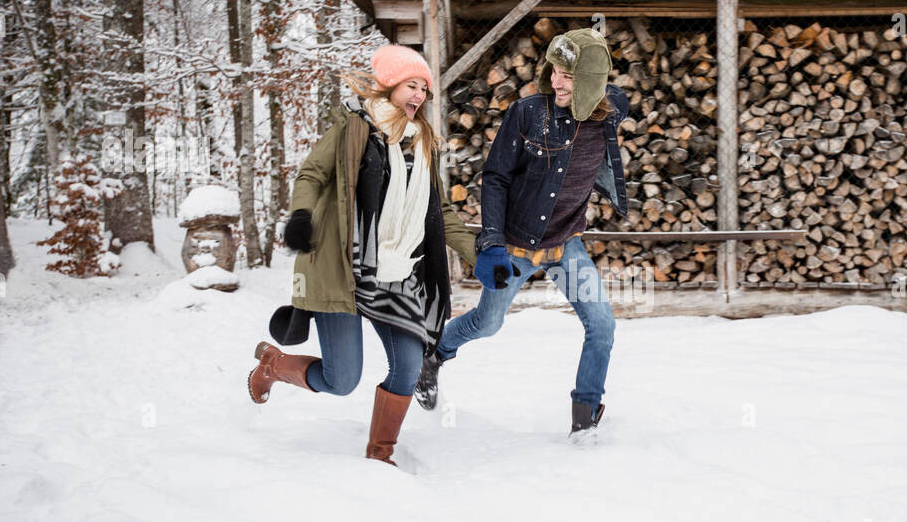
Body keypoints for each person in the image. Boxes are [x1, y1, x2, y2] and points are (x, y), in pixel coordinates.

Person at [247, 44, 476, 466]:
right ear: (389, 85)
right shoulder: (353, 128)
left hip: (396, 274)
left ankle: (380, 455)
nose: (419, 95)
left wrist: (476, 253)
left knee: (408, 364)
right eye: (412, 85)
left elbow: (437, 209)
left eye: (425, 89)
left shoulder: (422, 142)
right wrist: (301, 214)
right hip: (345, 268)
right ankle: (273, 365)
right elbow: (312, 174)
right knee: (341, 380)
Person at [414, 28, 630, 438]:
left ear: (589, 80)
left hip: (565, 245)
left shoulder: (611, 111)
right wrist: (492, 243)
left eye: (568, 75)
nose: (555, 81)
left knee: (602, 326)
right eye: (553, 71)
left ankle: (584, 419)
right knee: (487, 323)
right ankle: (436, 351)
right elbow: (494, 177)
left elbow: (615, 92)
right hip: (514, 245)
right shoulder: (528, 113)